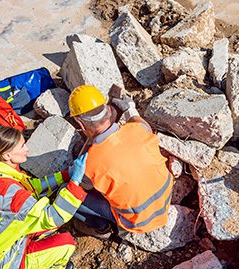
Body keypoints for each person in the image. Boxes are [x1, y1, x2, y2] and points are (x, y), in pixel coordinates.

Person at [0, 126, 87, 269]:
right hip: (7, 261)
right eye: (22, 146)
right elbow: (53, 217)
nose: (27, 148)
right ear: (7, 155)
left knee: (52, 222)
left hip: (5, 243)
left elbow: (34, 186)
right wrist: (75, 182)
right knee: (67, 244)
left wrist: (66, 175)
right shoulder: (11, 195)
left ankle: (35, 251)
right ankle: (52, 268)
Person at [68, 84, 173, 237]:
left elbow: (79, 183)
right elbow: (135, 118)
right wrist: (129, 107)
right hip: (165, 199)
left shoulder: (90, 165)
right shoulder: (139, 129)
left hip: (138, 220)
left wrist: (89, 144)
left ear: (80, 123)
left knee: (69, 196)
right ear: (108, 110)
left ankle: (101, 228)